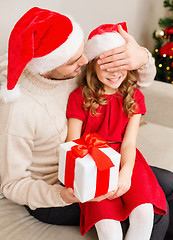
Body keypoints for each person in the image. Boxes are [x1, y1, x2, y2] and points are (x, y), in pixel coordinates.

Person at [0, 7, 172, 240]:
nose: (84, 60)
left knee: (169, 185)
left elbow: (137, 80)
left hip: (102, 161)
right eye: (75, 60)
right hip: (56, 190)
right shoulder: (19, 112)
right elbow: (12, 185)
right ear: (50, 65)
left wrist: (142, 56)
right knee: (156, 213)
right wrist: (63, 194)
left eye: (83, 52)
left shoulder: (75, 71)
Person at [65, 22, 167, 240]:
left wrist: (126, 173)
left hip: (127, 159)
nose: (114, 73)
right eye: (106, 65)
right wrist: (89, 176)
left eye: (119, 64)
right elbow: (73, 143)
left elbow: (129, 143)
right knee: (109, 229)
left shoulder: (135, 97)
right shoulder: (79, 97)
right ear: (92, 65)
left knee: (144, 214)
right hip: (92, 164)